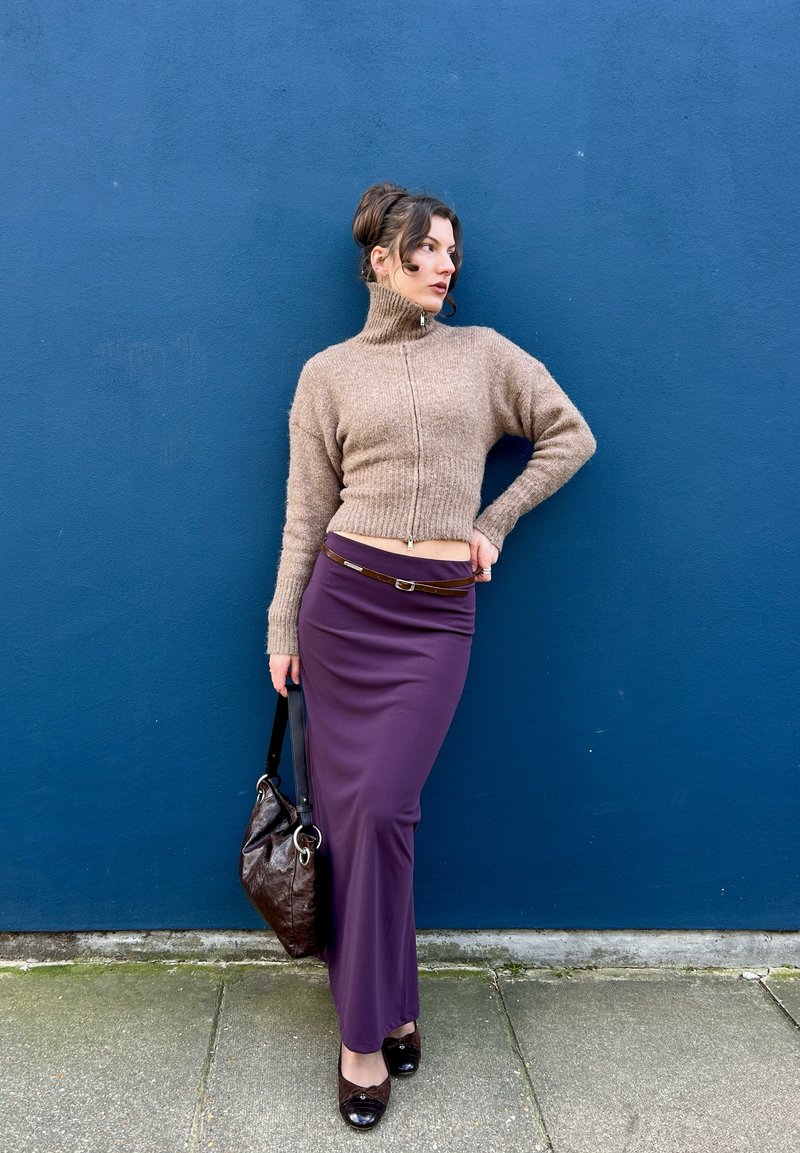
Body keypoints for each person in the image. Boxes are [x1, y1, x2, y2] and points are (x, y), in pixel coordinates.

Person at [266, 181, 596, 1130]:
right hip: (342, 610)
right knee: (361, 821)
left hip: (433, 622)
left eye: (453, 251)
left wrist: (491, 523)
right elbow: (302, 518)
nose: (445, 263)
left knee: (380, 807)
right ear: (379, 259)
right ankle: (378, 1022)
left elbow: (569, 436)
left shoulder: (484, 356)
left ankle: (368, 1016)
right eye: (427, 248)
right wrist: (282, 627)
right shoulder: (326, 374)